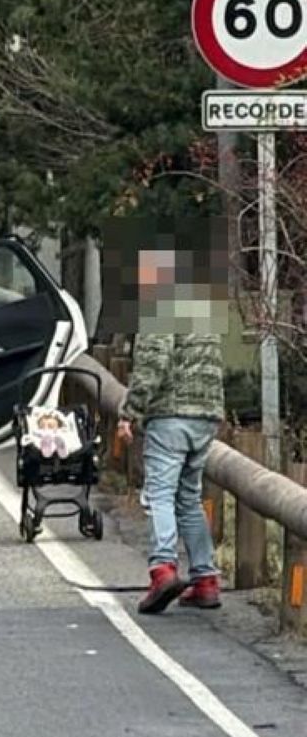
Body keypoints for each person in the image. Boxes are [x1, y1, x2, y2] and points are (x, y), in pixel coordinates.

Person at [118, 247, 224, 615]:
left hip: (170, 415)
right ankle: (205, 578)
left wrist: (130, 412)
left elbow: (153, 364)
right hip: (205, 416)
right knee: (189, 497)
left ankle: (162, 568)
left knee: (160, 494)